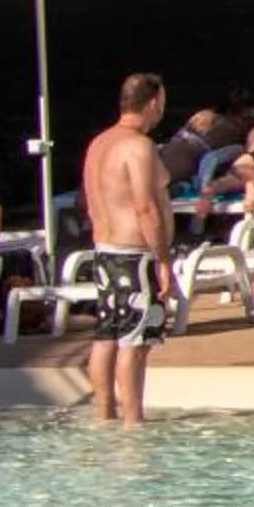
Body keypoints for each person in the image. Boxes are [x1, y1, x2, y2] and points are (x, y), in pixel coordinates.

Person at [81, 71, 178, 424]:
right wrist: (163, 260)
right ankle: (134, 424)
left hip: (106, 251)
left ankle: (105, 417)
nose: (162, 111)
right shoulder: (138, 146)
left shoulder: (99, 144)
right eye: (162, 104)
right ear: (153, 103)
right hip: (135, 255)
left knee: (107, 335)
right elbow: (145, 207)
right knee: (134, 345)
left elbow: (90, 200)